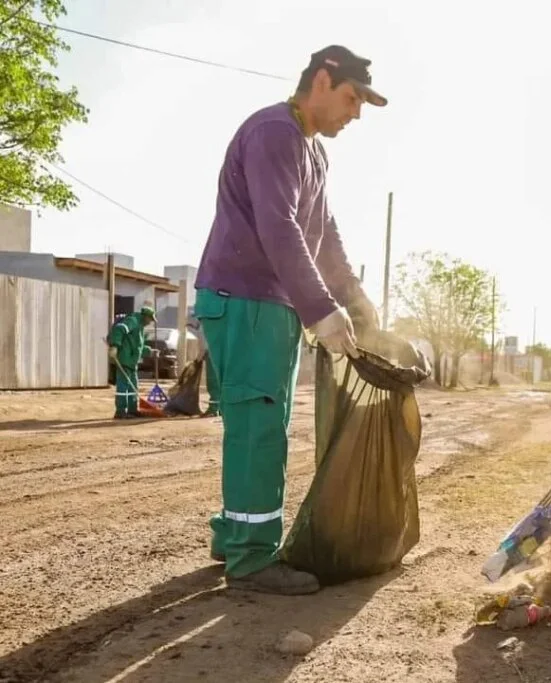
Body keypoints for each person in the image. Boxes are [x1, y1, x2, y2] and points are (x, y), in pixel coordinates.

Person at [193, 45, 384, 595]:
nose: (355, 114)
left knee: (257, 423)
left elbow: (324, 235)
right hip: (248, 297)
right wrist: (322, 310)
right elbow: (280, 228)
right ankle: (251, 559)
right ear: (322, 81)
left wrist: (356, 299)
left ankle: (234, 534)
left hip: (266, 303)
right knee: (259, 427)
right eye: (352, 99)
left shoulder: (312, 153)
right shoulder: (274, 133)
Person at [108, 305, 158, 419]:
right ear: (146, 317)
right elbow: (119, 329)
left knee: (133, 387)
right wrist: (114, 346)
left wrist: (150, 351)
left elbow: (137, 346)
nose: (150, 322)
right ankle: (120, 411)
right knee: (123, 387)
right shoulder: (133, 321)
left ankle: (132, 410)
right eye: (150, 319)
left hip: (132, 362)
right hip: (125, 359)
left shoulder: (140, 327)